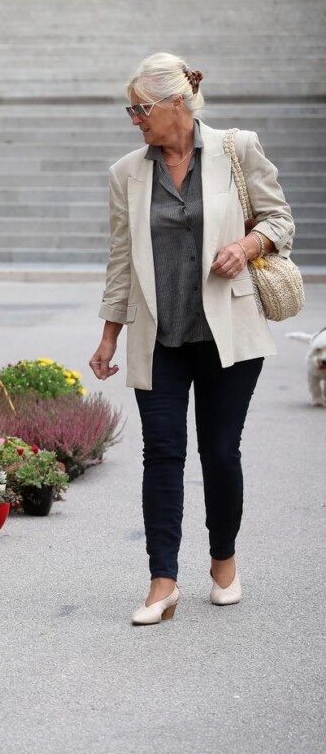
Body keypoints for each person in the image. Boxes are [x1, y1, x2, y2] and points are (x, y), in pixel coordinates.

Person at [88, 52, 295, 626]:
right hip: (159, 337)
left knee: (220, 452)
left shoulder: (237, 148)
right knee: (162, 455)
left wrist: (247, 247)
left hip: (228, 332)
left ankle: (223, 561)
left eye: (142, 108)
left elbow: (280, 220)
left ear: (177, 103)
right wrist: (108, 336)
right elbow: (121, 263)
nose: (135, 119)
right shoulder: (126, 172)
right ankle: (162, 582)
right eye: (131, 109)